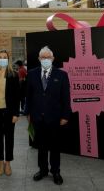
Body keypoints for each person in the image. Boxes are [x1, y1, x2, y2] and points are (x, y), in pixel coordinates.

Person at [26, 46, 71, 185]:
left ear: (53, 59)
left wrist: (65, 116)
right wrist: (27, 113)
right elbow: (28, 96)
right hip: (38, 117)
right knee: (41, 146)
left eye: (48, 57)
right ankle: (43, 169)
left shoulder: (61, 75)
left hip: (55, 118)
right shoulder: (32, 74)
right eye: (43, 57)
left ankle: (55, 171)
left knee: (55, 146)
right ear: (39, 59)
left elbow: (66, 97)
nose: (45, 60)